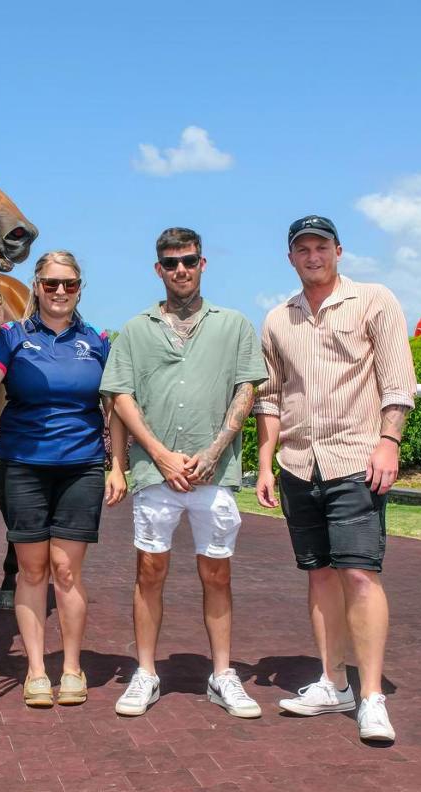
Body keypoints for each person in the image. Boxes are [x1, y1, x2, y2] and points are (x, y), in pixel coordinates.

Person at [254, 214, 416, 743]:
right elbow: (271, 397)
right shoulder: (279, 318)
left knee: (361, 575)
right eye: (302, 249)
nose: (312, 256)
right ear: (291, 258)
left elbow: (397, 381)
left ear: (338, 251)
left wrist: (389, 441)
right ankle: (331, 682)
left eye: (320, 246)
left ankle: (370, 696)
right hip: (300, 463)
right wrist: (265, 462)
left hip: (357, 459)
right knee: (319, 574)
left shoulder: (374, 300)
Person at [100, 227, 269, 718]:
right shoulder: (135, 329)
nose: (181, 270)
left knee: (216, 572)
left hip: (213, 475)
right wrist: (158, 455)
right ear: (158, 269)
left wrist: (215, 451)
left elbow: (246, 390)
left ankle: (221, 674)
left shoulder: (234, 325)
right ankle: (146, 672)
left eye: (189, 261)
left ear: (203, 264)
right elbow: (120, 398)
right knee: (149, 570)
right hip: (156, 475)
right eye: (171, 262)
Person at [0, 250, 127, 708]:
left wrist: (116, 464)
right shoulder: (13, 336)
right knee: (32, 569)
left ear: (80, 288)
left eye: (70, 284)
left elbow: (114, 407)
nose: (60, 292)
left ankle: (72, 667)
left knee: (67, 570)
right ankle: (37, 671)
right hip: (23, 465)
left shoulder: (97, 340)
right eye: (51, 283)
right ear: (36, 286)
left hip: (81, 466)